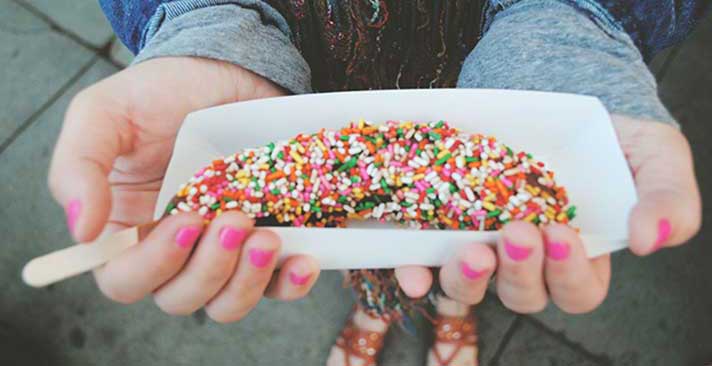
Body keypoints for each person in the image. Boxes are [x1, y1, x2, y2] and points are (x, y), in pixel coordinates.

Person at [48, 1, 707, 365]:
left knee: (472, 240)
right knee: (346, 225)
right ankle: (375, 305)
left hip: (479, 60)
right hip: (313, 68)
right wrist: (213, 31)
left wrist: (564, 33)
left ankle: (453, 308)